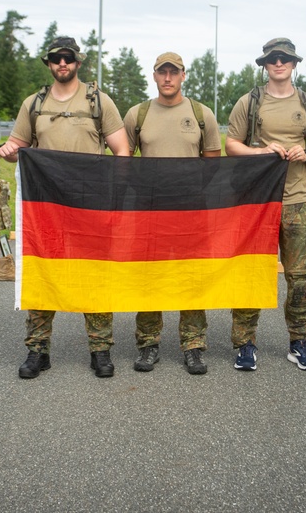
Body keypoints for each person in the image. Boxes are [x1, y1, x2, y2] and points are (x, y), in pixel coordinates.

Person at [0, 36, 131, 379]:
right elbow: (19, 144)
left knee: (94, 276)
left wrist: (113, 193)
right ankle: (37, 351)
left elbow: (122, 151)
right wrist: (8, 150)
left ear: (78, 62)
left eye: (68, 58)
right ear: (48, 63)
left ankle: (100, 351)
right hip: (47, 208)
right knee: (43, 273)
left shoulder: (98, 101)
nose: (62, 64)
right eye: (56, 58)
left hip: (91, 205)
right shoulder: (34, 104)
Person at [224, 38, 306, 372]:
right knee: (251, 271)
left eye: (284, 58)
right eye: (272, 59)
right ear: (265, 65)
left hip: (297, 201)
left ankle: (299, 342)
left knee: (299, 277)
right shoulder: (250, 102)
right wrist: (260, 153)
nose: (278, 63)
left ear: (294, 64)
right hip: (257, 201)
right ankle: (244, 344)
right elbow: (231, 145)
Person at [123, 51, 221, 375]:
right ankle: (148, 343)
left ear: (183, 75)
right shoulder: (138, 114)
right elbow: (122, 159)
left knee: (191, 276)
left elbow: (213, 161)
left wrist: (188, 188)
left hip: (191, 211)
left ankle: (193, 346)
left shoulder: (201, 114)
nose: (168, 78)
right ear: (154, 76)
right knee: (150, 277)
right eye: (162, 72)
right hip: (149, 212)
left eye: (173, 72)